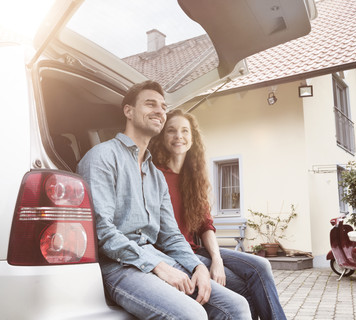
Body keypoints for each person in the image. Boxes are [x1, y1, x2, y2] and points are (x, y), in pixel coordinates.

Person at [77, 80, 251, 319]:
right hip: (119, 266)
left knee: (237, 306)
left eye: (163, 106)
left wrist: (198, 266)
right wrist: (157, 267)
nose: (160, 111)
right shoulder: (102, 157)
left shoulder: (156, 176)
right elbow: (102, 230)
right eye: (150, 104)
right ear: (128, 111)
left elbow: (171, 236)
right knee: (192, 315)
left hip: (157, 258)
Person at [149, 109, 287, 320]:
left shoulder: (193, 178)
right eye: (171, 130)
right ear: (162, 137)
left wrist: (217, 259)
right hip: (175, 255)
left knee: (262, 266)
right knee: (243, 286)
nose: (179, 136)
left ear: (192, 138)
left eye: (185, 131)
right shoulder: (155, 175)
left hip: (198, 251)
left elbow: (205, 224)